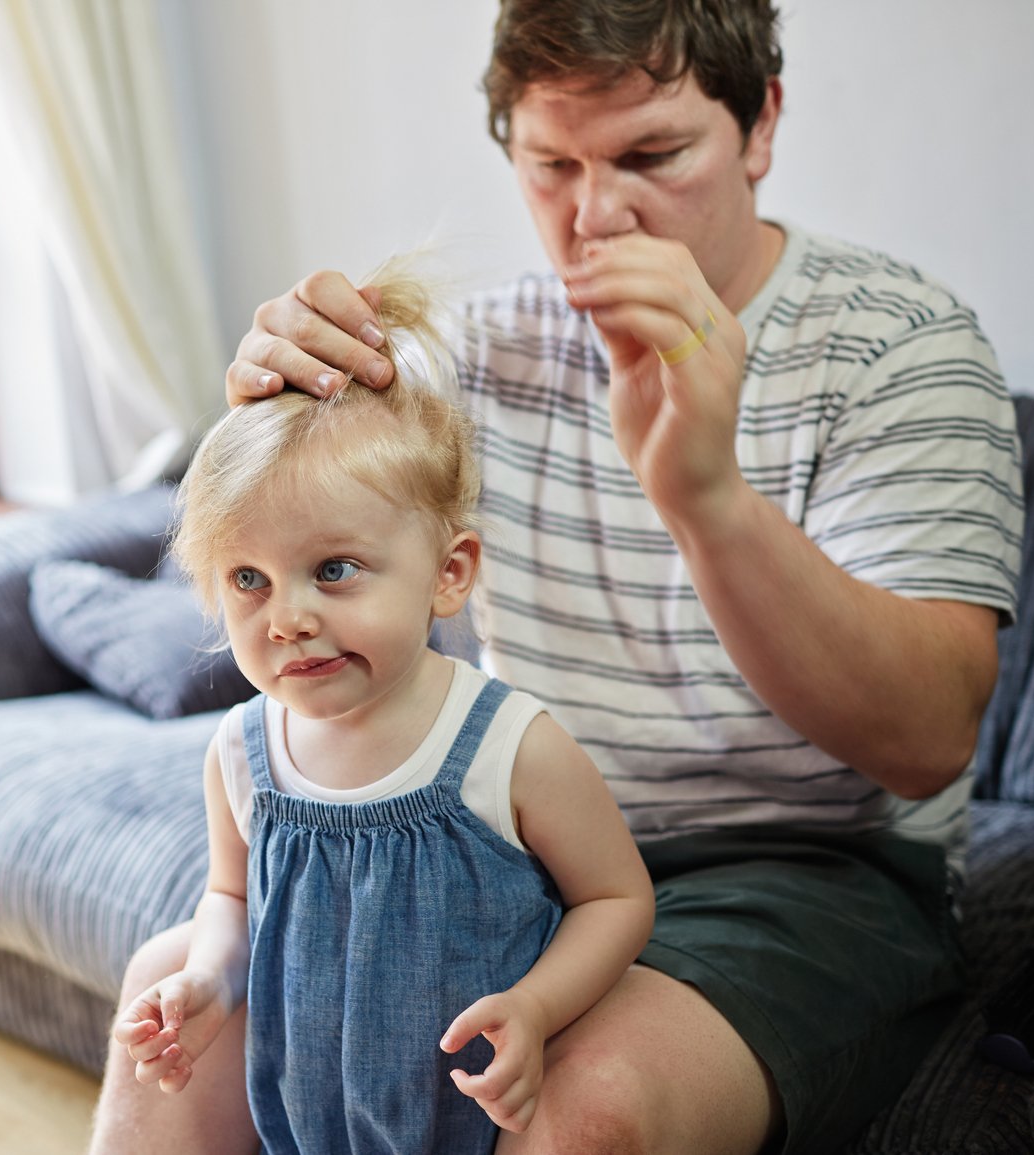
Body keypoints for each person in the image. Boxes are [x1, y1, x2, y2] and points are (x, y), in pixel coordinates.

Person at [90, 2, 1022, 1152]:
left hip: (804, 870)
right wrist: (274, 396)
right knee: (163, 1004)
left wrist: (704, 500)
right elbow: (291, 525)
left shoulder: (898, 347)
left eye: (651, 156)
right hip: (504, 844)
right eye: (550, 167)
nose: (594, 217)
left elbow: (926, 736)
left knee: (580, 1112)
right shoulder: (471, 355)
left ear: (759, 124)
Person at [109, 268, 656, 1154]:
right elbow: (228, 892)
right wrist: (205, 977)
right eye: (249, 580)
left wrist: (536, 1004)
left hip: (470, 1120)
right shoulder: (242, 750)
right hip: (310, 1122)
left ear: (449, 573)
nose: (285, 616)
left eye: (332, 569)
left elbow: (617, 897)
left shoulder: (509, 746)